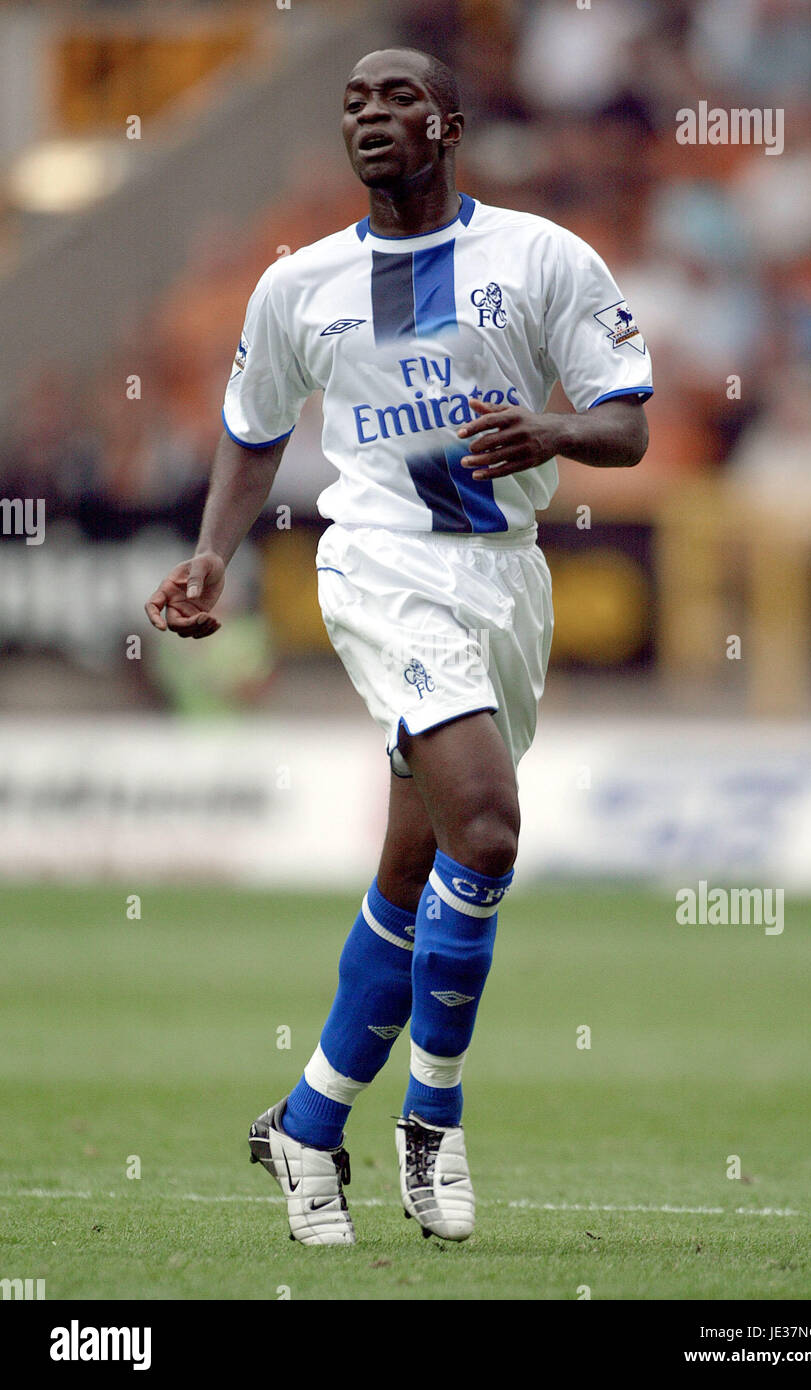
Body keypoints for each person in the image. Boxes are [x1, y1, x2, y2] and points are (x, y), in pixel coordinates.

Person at [145, 48, 652, 1247]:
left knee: (413, 868)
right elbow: (251, 428)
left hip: (501, 585)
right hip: (375, 568)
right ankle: (433, 1118)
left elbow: (627, 424)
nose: (370, 115)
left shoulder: (537, 258)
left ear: (450, 122)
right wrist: (215, 554)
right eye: (351, 101)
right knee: (486, 826)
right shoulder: (300, 286)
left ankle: (308, 1123)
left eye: (396, 98)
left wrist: (552, 429)